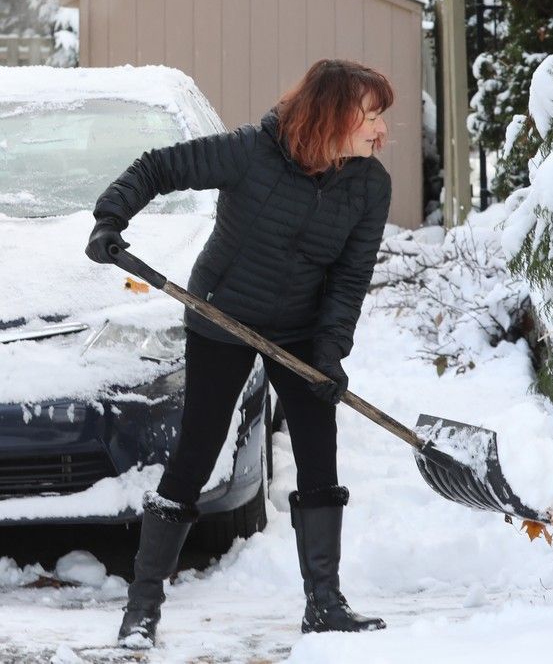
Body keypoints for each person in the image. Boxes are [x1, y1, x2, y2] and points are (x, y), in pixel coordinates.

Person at [84, 59, 393, 648]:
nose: (380, 131)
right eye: (370, 115)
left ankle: (324, 603)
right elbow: (160, 166)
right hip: (223, 316)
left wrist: (329, 354)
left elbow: (350, 280)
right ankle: (142, 609)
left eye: (381, 117)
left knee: (318, 452)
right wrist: (111, 215)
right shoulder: (252, 151)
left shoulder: (369, 185)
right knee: (196, 455)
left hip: (299, 329)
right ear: (331, 115)